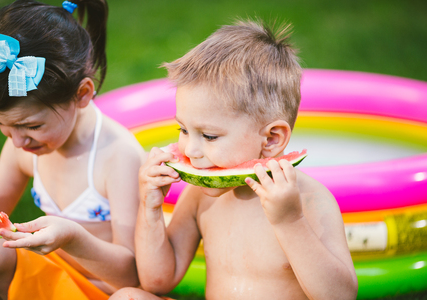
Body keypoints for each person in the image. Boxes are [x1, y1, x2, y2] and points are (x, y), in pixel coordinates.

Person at [110, 19, 358, 300]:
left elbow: (340, 296)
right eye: (183, 130)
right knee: (129, 297)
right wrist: (151, 209)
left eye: (210, 136)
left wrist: (291, 221)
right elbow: (158, 281)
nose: (190, 149)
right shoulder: (199, 197)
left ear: (271, 139)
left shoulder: (309, 200)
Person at [0, 1, 144, 299]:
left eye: (31, 126)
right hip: (47, 273)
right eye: (4, 127)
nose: (17, 142)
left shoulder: (118, 157)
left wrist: (72, 238)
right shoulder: (22, 145)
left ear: (82, 94)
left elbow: (133, 274)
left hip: (99, 289)